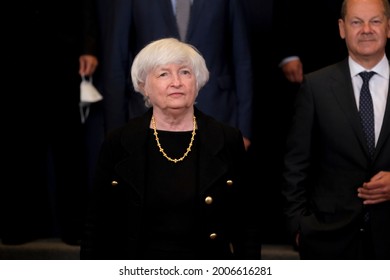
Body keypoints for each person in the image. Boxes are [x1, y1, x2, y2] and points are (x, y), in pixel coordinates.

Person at [80, 38, 261, 259]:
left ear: (198, 81)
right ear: (143, 86)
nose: (176, 82)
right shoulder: (118, 141)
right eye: (163, 74)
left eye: (185, 72)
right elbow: (97, 223)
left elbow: (246, 222)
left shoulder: (227, 138)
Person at [282, 0, 390, 259]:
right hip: (329, 241)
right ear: (342, 28)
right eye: (356, 22)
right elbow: (295, 166)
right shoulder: (315, 87)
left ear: (388, 27)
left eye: (375, 21)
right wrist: (299, 228)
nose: (366, 29)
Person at [2, 1, 99, 245]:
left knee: (70, 148)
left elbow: (86, 6)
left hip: (65, 58)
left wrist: (89, 47)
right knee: (20, 147)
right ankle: (21, 226)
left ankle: (76, 227)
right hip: (15, 58)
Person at [102, 0, 253, 151]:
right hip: (148, 117)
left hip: (218, 110)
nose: (177, 82)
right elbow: (116, 61)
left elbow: (242, 61)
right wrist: (116, 133)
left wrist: (244, 129)